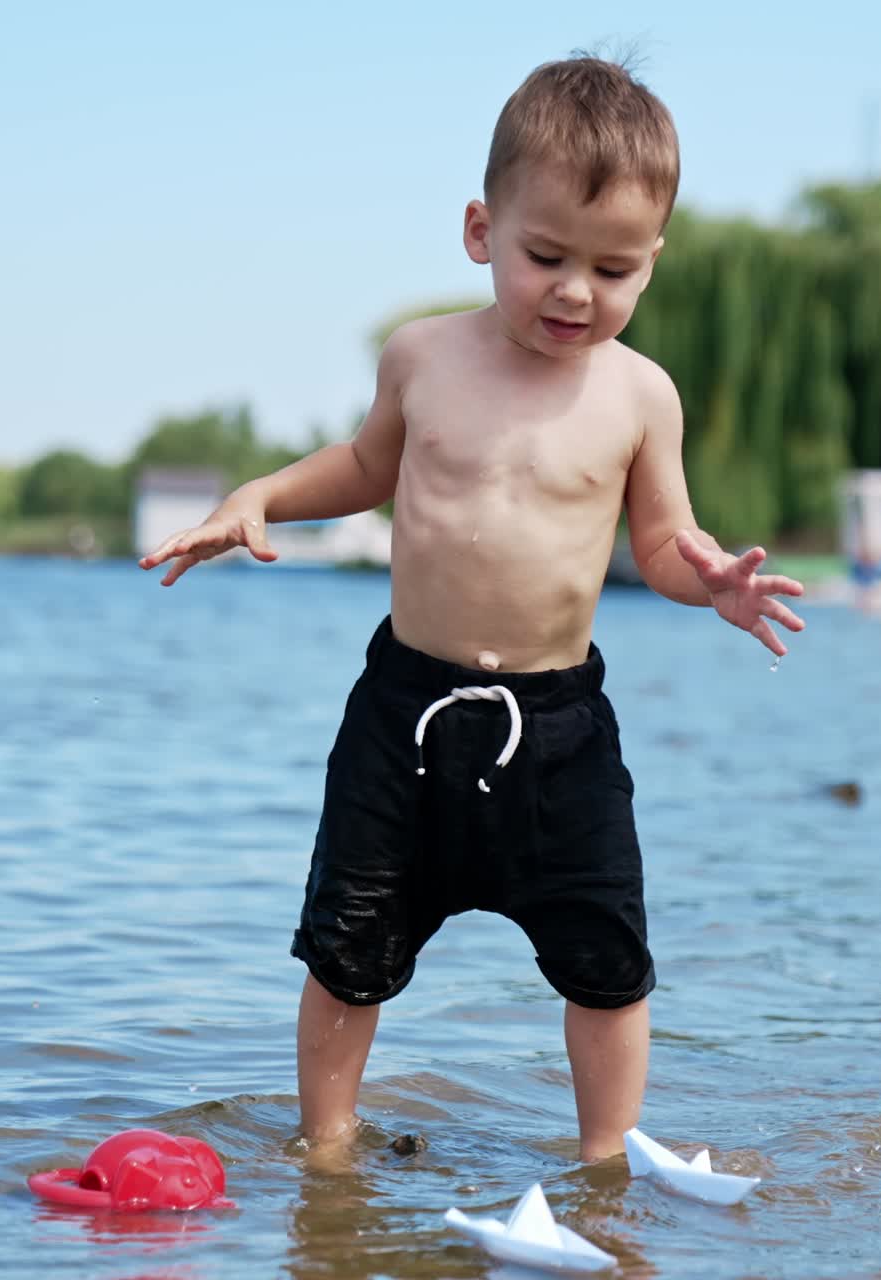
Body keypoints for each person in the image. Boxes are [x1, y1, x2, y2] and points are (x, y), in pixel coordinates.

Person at [139, 55, 805, 1162]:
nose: (575, 291)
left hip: (559, 729)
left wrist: (714, 587)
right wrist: (260, 496)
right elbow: (361, 466)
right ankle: (328, 1149)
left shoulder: (640, 395)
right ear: (478, 229)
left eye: (614, 268)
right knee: (346, 945)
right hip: (403, 707)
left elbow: (659, 544)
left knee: (606, 954)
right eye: (544, 255)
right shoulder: (423, 356)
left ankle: (605, 1158)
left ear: (652, 263)